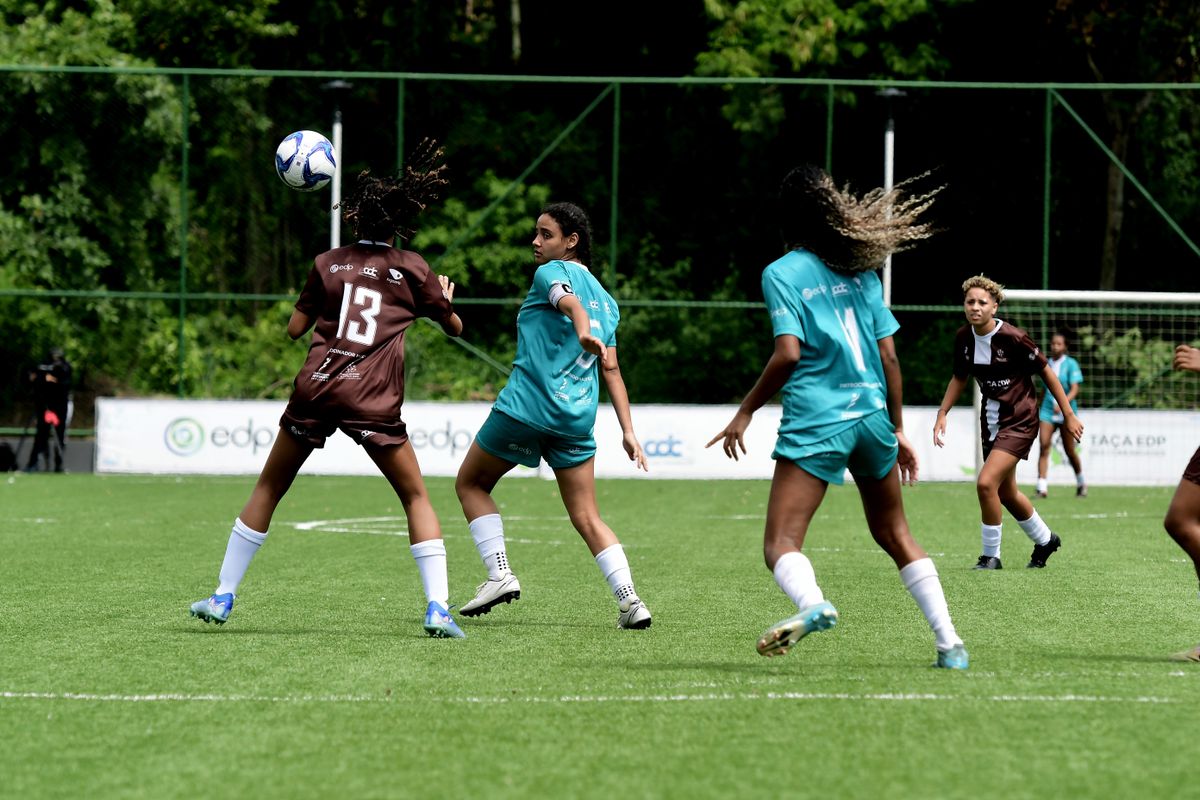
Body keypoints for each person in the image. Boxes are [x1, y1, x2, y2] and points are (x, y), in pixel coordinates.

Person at [189, 140, 468, 638]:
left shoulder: (327, 263)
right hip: (373, 399)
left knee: (269, 487)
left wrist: (325, 304)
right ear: (398, 220)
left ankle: (222, 596)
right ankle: (437, 608)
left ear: (355, 217)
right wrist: (443, 302)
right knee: (415, 497)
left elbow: (295, 330)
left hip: (317, 388)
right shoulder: (413, 267)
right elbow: (455, 329)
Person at [707, 164, 968, 669]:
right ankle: (950, 643)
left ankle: (813, 605)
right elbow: (889, 358)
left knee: (781, 542)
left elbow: (787, 354)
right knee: (896, 534)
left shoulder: (781, 272)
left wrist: (745, 411)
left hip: (819, 419)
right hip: (871, 414)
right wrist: (896, 428)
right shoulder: (863, 271)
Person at [453, 201, 653, 629]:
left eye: (545, 234)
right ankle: (631, 601)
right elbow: (612, 370)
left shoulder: (550, 274)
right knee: (587, 517)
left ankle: (499, 573)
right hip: (575, 422)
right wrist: (629, 431)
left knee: (470, 483)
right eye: (536, 233)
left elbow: (569, 304)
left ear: (571, 241)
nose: (536, 242)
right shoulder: (611, 303)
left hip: (526, 409)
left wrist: (581, 326)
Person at [933, 275, 1084, 571]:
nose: (975, 307)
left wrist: (1068, 414)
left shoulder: (1014, 337)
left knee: (986, 483)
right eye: (970, 302)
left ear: (995, 306)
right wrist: (942, 413)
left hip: (1021, 418)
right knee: (1005, 492)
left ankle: (991, 556)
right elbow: (959, 377)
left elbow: (1047, 373)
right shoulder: (964, 337)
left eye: (981, 302)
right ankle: (1045, 540)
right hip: (991, 420)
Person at [1035, 331, 1086, 498]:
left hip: (1066, 412)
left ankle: (1081, 482)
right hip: (1047, 411)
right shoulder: (1046, 363)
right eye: (1053, 343)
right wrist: (1037, 405)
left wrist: (1063, 404)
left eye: (1058, 344)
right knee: (1044, 446)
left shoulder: (1071, 364)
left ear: (1065, 347)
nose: (1055, 346)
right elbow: (1044, 388)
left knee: (1069, 450)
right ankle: (1041, 487)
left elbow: (1075, 389)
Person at [25, 347, 72, 473]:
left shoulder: (65, 367)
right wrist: (42, 377)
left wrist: (51, 378)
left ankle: (59, 464)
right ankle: (34, 463)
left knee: (59, 435)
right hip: (44, 406)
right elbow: (34, 379)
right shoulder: (42, 366)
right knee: (41, 435)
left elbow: (64, 382)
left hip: (59, 407)